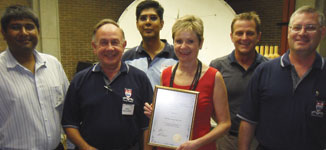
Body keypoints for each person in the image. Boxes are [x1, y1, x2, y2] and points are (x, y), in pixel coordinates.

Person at [237, 6, 326, 150]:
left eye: (310, 28)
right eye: (297, 27)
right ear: (288, 32)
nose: (302, 33)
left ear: (322, 32)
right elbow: (248, 121)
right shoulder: (264, 71)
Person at [61, 19, 153, 150]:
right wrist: (86, 148)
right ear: (94, 47)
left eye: (115, 42)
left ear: (123, 45)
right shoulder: (79, 80)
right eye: (103, 43)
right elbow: (69, 123)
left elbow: (147, 125)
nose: (110, 48)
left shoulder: (140, 79)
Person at [144, 15, 231, 150]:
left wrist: (198, 143)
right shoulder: (166, 74)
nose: (183, 47)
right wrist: (155, 114)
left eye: (190, 41)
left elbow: (225, 124)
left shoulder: (214, 77)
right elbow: (164, 117)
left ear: (200, 43)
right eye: (178, 41)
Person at [0, 5, 69, 149]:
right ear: (4, 33)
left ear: (38, 31)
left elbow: (67, 109)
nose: (24, 32)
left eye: (29, 27)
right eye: (16, 27)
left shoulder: (53, 64)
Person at [209, 12, 268, 150]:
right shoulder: (217, 66)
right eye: (239, 33)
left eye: (250, 33)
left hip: (258, 141)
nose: (244, 38)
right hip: (226, 140)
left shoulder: (268, 68)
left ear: (258, 36)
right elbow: (209, 102)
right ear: (231, 36)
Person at [122, 0, 178, 89]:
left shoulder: (177, 56)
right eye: (143, 18)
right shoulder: (127, 58)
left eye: (153, 18)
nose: (148, 22)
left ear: (161, 24)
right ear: (137, 24)